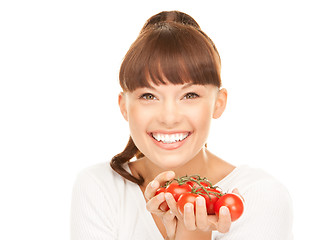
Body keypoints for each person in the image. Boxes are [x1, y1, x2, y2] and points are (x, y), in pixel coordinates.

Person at [70, 11, 293, 240]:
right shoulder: (99, 187)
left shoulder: (259, 196)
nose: (169, 117)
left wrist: (192, 233)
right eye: (148, 96)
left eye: (190, 95)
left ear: (218, 103)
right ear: (124, 106)